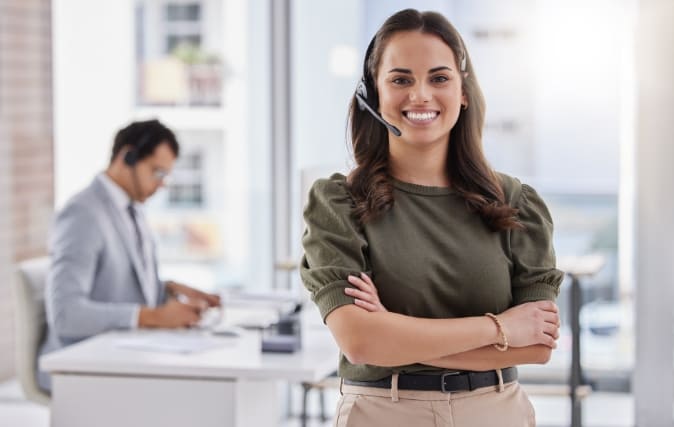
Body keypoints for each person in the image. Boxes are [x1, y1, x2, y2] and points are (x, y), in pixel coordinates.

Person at [300, 9, 565, 427]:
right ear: (373, 93)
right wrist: (499, 328)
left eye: (439, 78)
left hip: (496, 412)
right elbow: (360, 342)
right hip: (382, 411)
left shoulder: (516, 202)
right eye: (401, 79)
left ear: (462, 91)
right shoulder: (338, 202)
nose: (420, 95)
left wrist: (393, 331)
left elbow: (537, 346)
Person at [38, 119, 220, 391]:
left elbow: (115, 286)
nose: (161, 185)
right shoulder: (83, 214)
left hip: (126, 355)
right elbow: (66, 314)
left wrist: (169, 291)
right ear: (128, 156)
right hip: (84, 366)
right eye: (157, 173)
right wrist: (153, 317)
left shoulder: (132, 210)